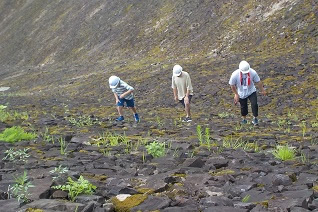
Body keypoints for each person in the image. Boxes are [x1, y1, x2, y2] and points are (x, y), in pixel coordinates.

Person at [229, 61, 266, 125]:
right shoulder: (235, 74)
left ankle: (255, 118)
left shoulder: (253, 72)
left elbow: (258, 82)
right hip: (241, 92)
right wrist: (236, 94)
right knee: (243, 107)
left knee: (254, 104)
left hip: (251, 91)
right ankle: (244, 119)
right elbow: (232, 85)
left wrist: (262, 90)